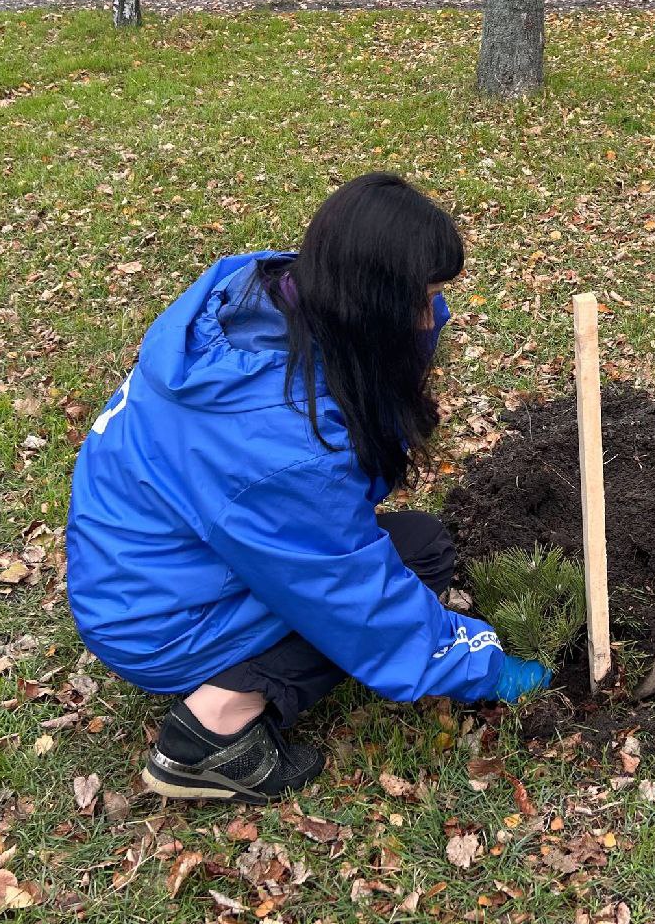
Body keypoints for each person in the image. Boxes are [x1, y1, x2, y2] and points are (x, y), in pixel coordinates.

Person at [66, 173, 550, 803]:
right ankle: (212, 734)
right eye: (421, 300)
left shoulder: (256, 296)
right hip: (157, 619)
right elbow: (356, 603)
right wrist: (484, 668)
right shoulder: (283, 448)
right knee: (379, 585)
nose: (432, 316)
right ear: (370, 304)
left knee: (420, 545)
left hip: (139, 568)